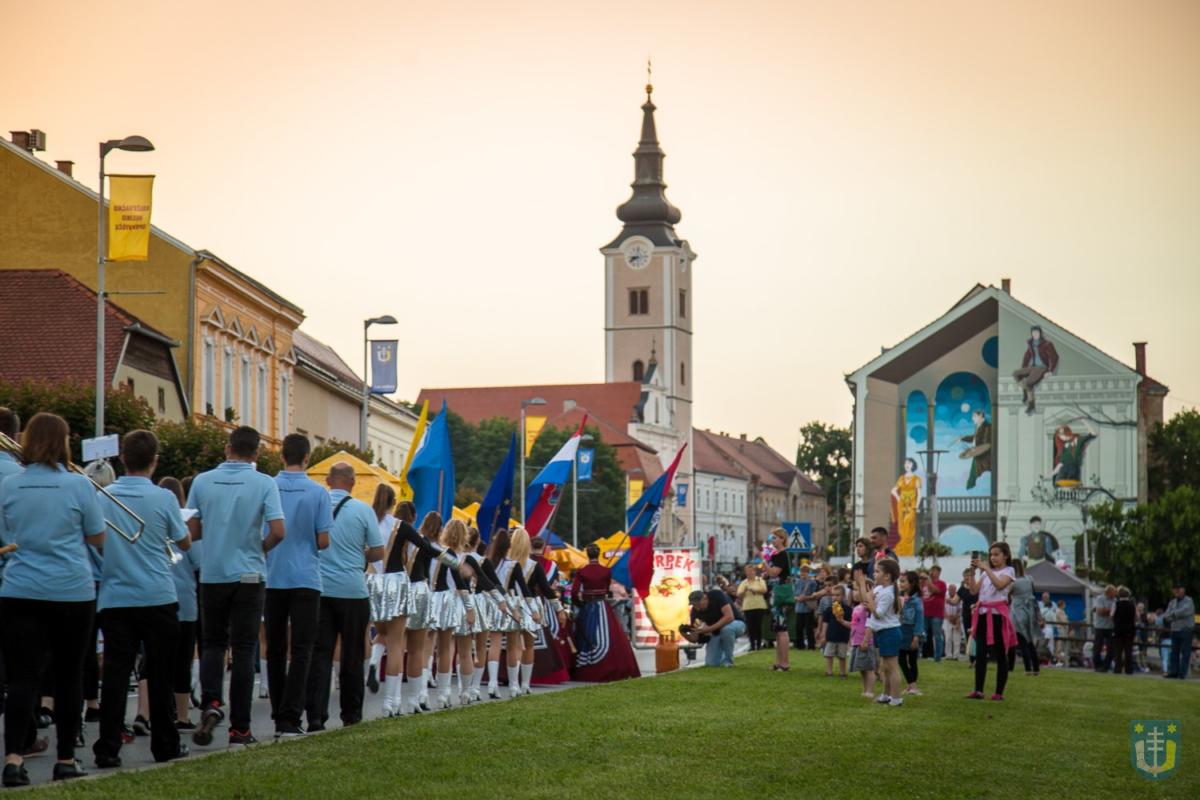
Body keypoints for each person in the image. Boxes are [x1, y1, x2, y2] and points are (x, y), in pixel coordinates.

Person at [0, 413, 106, 785]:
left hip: (19, 588)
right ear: (63, 442)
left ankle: (13, 759)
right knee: (68, 674)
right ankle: (65, 757)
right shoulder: (79, 486)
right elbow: (97, 538)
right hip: (71, 590)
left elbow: (4, 536)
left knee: (22, 678)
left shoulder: (9, 486)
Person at [90, 430, 191, 768]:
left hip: (116, 597)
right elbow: (183, 541)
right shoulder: (163, 498)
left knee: (117, 677)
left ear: (123, 459)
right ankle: (165, 745)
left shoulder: (103, 496)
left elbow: (96, 541)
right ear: (155, 461)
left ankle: (107, 748)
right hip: (157, 596)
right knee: (161, 674)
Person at [186, 425, 285, 749]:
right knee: (244, 649)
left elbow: (194, 530)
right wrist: (260, 547)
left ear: (227, 448)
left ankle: (212, 702)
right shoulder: (264, 483)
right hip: (250, 575)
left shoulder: (202, 481)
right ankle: (240, 728)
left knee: (213, 643)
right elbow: (279, 530)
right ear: (256, 453)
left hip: (214, 572)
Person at [305, 462, 385, 728]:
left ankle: (315, 715)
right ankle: (351, 713)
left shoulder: (314, 505)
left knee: (320, 654)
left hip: (319, 588)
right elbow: (378, 551)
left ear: (328, 480)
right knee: (352, 653)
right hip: (352, 589)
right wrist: (359, 555)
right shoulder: (363, 510)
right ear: (352, 482)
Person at [264, 434, 332, 738]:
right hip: (306, 576)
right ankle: (291, 716)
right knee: (302, 649)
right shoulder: (319, 493)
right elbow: (323, 540)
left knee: (275, 648)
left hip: (272, 575)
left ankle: (278, 710)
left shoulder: (268, 486)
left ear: (282, 456)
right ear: (307, 458)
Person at [160, 476, 201, 730]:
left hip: (156, 596)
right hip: (184, 599)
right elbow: (197, 559)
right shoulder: (185, 523)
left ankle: (154, 711)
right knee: (183, 658)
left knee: (158, 659)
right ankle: (182, 714)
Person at [571, 543, 640, 682]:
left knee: (587, 634)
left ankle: (587, 666)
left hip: (588, 606)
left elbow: (574, 592)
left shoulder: (582, 571)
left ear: (587, 554)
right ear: (598, 553)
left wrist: (580, 604)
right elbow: (607, 588)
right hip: (603, 606)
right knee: (612, 635)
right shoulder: (606, 570)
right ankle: (612, 665)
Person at [429, 519, 479, 708]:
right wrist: (470, 609)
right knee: (465, 652)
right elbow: (463, 584)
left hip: (441, 602)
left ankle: (443, 694)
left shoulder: (437, 554)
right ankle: (465, 692)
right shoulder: (464, 558)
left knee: (443, 651)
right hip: (460, 603)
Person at [965, 543, 1016, 701]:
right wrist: (973, 574)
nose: (993, 558)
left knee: (1001, 653)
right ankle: (978, 690)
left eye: (996, 554)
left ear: (1005, 556)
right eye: (991, 555)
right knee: (980, 653)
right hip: (982, 614)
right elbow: (974, 591)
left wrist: (986, 568)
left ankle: (998, 692)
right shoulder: (986, 573)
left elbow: (1000, 585)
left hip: (997, 616)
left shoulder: (1009, 571)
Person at [857, 559, 903, 706]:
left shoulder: (888, 593)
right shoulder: (880, 589)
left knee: (892, 667)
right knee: (884, 666)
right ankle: (885, 695)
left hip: (890, 633)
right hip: (884, 633)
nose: (874, 574)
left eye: (877, 571)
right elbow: (866, 599)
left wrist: (871, 604)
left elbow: (878, 614)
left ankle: (896, 698)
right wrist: (861, 585)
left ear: (887, 576)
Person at [365, 483, 397, 694]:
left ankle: (355, 674)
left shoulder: (366, 519)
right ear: (393, 502)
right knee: (387, 632)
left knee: (361, 631)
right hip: (387, 581)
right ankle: (374, 664)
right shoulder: (395, 525)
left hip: (365, 577)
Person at [684, 590, 746, 667]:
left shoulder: (717, 595)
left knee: (727, 630)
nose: (697, 608)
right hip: (715, 632)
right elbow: (695, 639)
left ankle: (727, 661)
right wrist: (685, 634)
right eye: (694, 605)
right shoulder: (695, 612)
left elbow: (730, 617)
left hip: (736, 624)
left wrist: (709, 629)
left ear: (705, 598)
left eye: (698, 604)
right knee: (711, 664)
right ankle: (719, 659)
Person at [1013, 324, 1058, 414]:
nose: (1035, 334)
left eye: (1037, 333)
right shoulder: (1031, 343)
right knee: (1016, 374)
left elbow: (1054, 357)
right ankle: (1025, 390)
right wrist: (1024, 367)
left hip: (1042, 368)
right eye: (1033, 333)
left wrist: (1050, 371)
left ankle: (1031, 404)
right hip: (1033, 366)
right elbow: (1027, 355)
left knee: (1029, 383)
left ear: (1040, 333)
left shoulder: (1047, 344)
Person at [765, 528, 793, 671]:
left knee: (782, 629)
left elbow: (774, 572)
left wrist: (764, 562)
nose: (772, 540)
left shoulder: (782, 555)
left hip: (781, 594)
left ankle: (785, 663)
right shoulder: (777, 555)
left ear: (782, 539)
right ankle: (779, 662)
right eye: (772, 537)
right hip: (777, 593)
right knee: (778, 629)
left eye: (775, 537)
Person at [1007, 560, 1040, 676]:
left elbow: (1007, 594)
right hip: (1029, 611)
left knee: (1022, 641)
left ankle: (1027, 668)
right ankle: (1036, 667)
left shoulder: (1013, 582)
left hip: (1017, 612)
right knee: (1029, 640)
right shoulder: (1029, 579)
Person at [897, 571, 925, 696]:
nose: (900, 584)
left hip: (912, 632)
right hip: (902, 631)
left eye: (903, 581)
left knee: (912, 660)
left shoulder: (916, 601)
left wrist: (916, 636)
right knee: (902, 659)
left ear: (912, 583)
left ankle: (913, 686)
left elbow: (919, 619)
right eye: (900, 581)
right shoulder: (901, 597)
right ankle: (911, 685)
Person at [847, 584, 876, 699]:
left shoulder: (867, 607)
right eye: (854, 590)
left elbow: (870, 625)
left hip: (865, 642)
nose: (854, 592)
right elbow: (854, 624)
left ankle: (870, 691)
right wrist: (841, 621)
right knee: (862, 668)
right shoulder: (857, 607)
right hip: (856, 641)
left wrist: (866, 640)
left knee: (868, 668)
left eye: (856, 590)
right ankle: (865, 690)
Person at [1161, 582, 1195, 679]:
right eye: (1175, 588)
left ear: (1183, 589)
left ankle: (1182, 673)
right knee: (1173, 652)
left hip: (1185, 630)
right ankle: (1173, 672)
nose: (1176, 590)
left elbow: (1184, 612)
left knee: (1185, 653)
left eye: (1179, 588)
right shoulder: (1172, 602)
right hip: (1175, 629)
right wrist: (1173, 615)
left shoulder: (1189, 600)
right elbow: (1166, 616)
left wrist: (1172, 614)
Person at [890, 459, 921, 555]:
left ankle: (908, 550)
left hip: (912, 504)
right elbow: (893, 490)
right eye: (906, 463)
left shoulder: (916, 479)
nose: (907, 465)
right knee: (901, 527)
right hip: (902, 505)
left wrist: (917, 506)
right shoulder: (901, 478)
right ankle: (902, 550)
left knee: (909, 524)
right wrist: (899, 498)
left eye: (909, 463)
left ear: (913, 465)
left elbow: (919, 494)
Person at [820, 578, 850, 678]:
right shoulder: (829, 609)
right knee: (829, 655)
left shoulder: (848, 609)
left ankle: (842, 672)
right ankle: (829, 671)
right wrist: (823, 635)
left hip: (843, 636)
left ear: (843, 596)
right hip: (831, 636)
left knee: (842, 656)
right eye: (833, 595)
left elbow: (851, 623)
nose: (835, 597)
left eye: (837, 595)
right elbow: (825, 623)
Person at [735, 564, 767, 652]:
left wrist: (753, 589)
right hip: (748, 607)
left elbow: (764, 590)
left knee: (758, 626)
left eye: (751, 571)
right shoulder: (744, 582)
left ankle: (759, 645)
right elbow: (738, 594)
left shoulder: (760, 580)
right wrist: (745, 590)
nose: (749, 573)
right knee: (750, 627)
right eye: (747, 571)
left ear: (754, 571)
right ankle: (752, 645)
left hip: (759, 606)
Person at [792, 563, 819, 651]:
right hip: (799, 608)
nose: (803, 574)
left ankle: (811, 646)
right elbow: (794, 594)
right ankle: (800, 645)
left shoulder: (812, 582)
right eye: (802, 572)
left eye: (805, 572)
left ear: (808, 572)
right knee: (798, 627)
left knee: (809, 628)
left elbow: (814, 595)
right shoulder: (797, 582)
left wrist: (805, 598)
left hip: (808, 608)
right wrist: (797, 598)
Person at [922, 566, 946, 661]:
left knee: (937, 635)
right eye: (931, 570)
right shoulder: (924, 583)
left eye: (934, 571)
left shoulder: (941, 583)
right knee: (922, 634)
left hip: (937, 614)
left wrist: (928, 580)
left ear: (939, 573)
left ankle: (937, 657)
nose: (931, 572)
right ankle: (920, 654)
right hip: (925, 613)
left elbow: (934, 590)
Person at [1092, 585, 1117, 673]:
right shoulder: (1100, 598)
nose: (1115, 594)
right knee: (1098, 647)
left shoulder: (1115, 600)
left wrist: (1107, 611)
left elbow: (1107, 612)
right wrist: (1112, 611)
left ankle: (1106, 666)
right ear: (1109, 592)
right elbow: (1099, 611)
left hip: (1110, 627)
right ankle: (1097, 665)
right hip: (1100, 627)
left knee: (1111, 648)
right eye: (1114, 592)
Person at [1112, 587, 1137, 676]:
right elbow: (1135, 617)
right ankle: (1129, 669)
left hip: (1118, 629)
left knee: (1118, 650)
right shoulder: (1132, 605)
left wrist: (1116, 622)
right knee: (1128, 651)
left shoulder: (1116, 604)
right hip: (1130, 630)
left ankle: (1117, 669)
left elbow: (1112, 615)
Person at [957, 568, 978, 663]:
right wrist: (948, 600)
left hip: (977, 614)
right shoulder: (962, 589)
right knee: (968, 635)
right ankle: (971, 659)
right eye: (965, 576)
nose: (966, 578)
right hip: (966, 615)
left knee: (976, 635)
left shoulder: (977, 587)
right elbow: (955, 600)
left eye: (968, 575)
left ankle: (978, 657)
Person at [944, 584, 962, 660]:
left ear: (955, 590)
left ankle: (956, 655)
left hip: (957, 620)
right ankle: (948, 655)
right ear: (948, 590)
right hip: (947, 619)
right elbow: (942, 609)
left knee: (956, 638)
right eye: (950, 589)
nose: (951, 591)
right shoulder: (945, 598)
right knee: (948, 638)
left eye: (953, 589)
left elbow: (960, 609)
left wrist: (955, 617)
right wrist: (948, 617)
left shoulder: (959, 598)